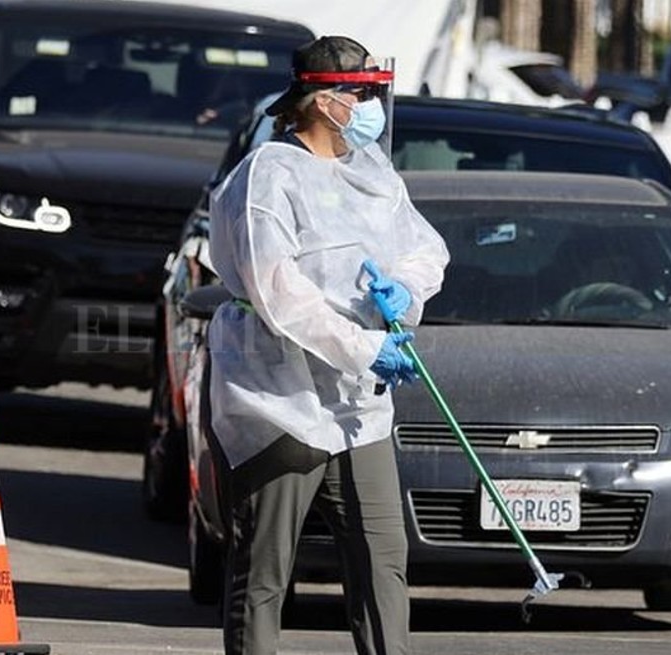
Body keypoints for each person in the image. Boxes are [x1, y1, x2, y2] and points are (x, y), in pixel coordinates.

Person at [205, 35, 450, 655]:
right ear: (320, 100)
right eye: (359, 94)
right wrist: (365, 348)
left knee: (383, 563)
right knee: (264, 573)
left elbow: (425, 247)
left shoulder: (370, 171)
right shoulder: (267, 176)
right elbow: (280, 294)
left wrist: (405, 286)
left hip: (357, 409)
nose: (370, 109)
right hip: (279, 399)